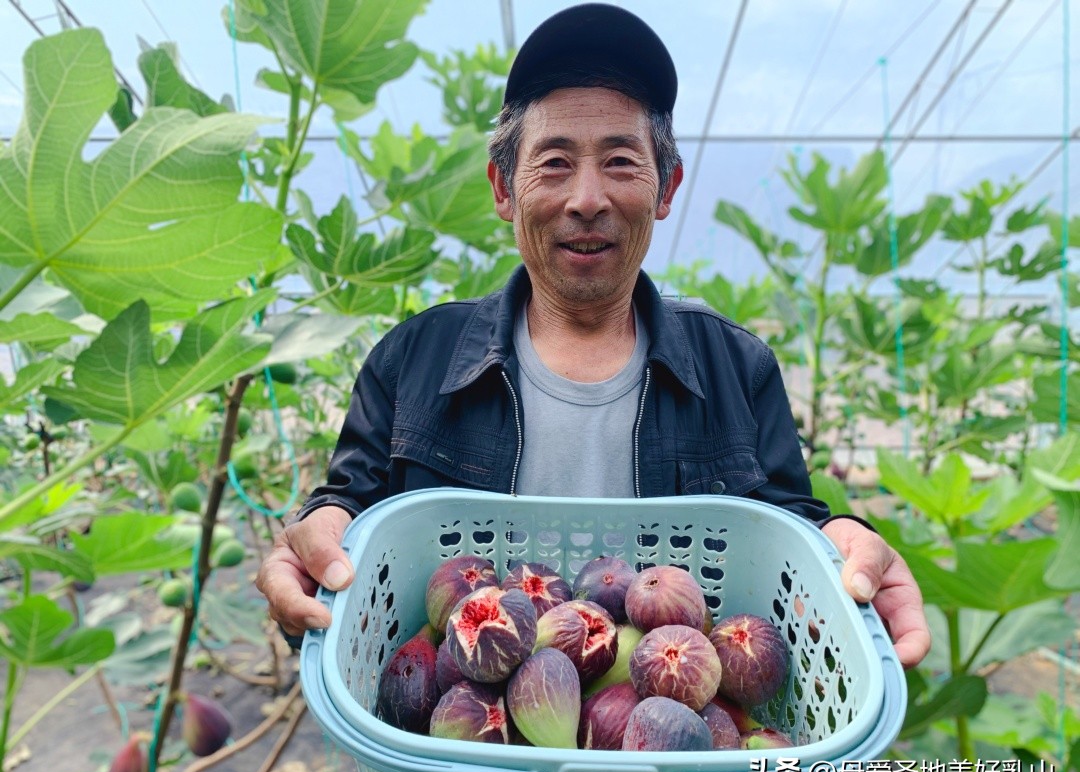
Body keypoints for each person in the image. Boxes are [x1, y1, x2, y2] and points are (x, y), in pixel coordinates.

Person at [256, 3, 930, 669]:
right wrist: (312, 553)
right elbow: (347, 520)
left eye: (619, 162)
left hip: (675, 755)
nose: (586, 198)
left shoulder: (738, 367)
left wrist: (845, 541)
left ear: (666, 188)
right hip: (459, 763)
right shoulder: (412, 360)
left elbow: (793, 535)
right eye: (552, 162)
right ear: (502, 188)